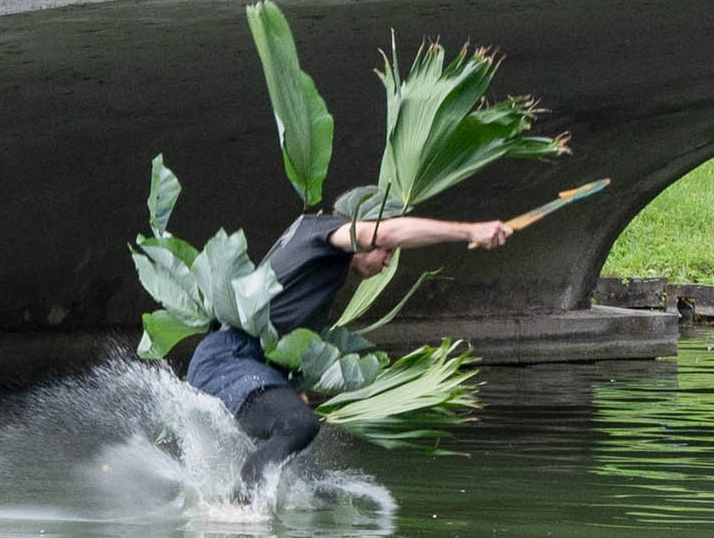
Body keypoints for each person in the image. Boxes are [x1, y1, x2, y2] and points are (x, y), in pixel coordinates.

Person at [182, 195, 515, 500]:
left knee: (315, 487)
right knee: (299, 425)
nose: (387, 261)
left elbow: (279, 333)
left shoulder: (316, 258)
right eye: (387, 251)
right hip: (228, 359)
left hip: (245, 364)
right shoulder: (324, 231)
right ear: (361, 228)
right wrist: (470, 231)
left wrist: (288, 387)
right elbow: (384, 233)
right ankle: (236, 508)